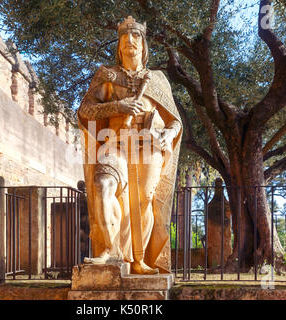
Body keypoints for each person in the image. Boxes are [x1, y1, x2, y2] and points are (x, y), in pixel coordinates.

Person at [77, 16, 182, 274]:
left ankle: (138, 259)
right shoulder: (107, 75)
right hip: (115, 142)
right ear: (119, 45)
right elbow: (85, 110)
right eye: (125, 37)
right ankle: (111, 251)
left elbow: (175, 122)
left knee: (144, 200)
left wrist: (168, 134)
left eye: (135, 36)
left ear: (144, 45)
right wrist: (118, 106)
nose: (130, 41)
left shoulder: (156, 79)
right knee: (103, 185)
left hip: (148, 145)